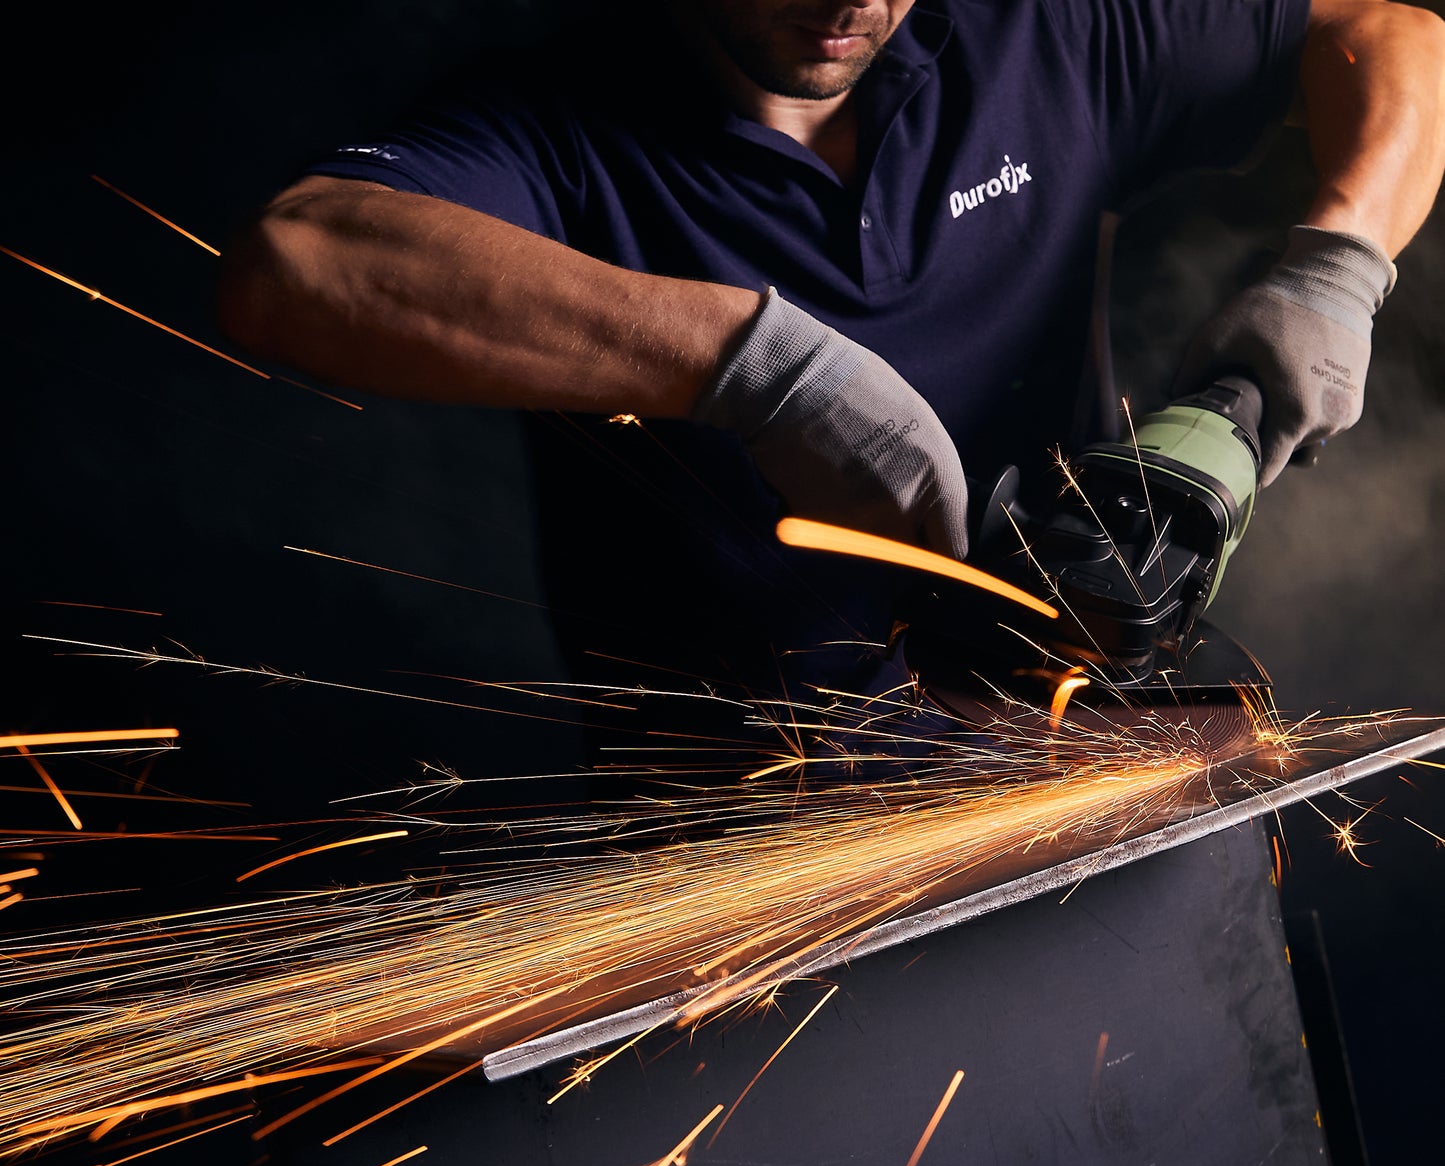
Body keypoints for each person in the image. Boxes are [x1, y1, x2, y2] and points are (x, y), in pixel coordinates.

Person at [216, 0, 1445, 778]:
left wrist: (1335, 272)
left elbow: (1390, 34)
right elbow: (299, 258)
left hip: (1067, 754)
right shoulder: (558, 127)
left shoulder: (1043, 35)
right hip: (736, 848)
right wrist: (753, 365)